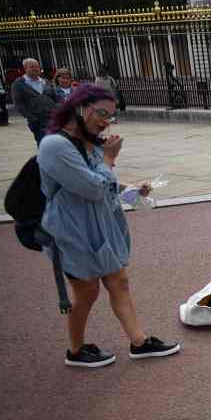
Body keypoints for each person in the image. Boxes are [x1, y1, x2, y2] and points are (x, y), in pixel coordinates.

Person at [37, 84, 180, 367]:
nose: (105, 121)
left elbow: (104, 183)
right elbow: (91, 187)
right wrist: (110, 158)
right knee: (87, 292)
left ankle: (139, 342)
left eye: (110, 116)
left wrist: (132, 189)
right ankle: (76, 351)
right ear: (79, 107)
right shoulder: (55, 145)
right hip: (74, 229)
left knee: (119, 282)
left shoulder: (88, 141)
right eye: (101, 113)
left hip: (100, 223)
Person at [11, 57, 58, 145]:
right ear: (25, 69)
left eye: (37, 66)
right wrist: (31, 118)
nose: (36, 69)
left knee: (56, 142)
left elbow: (55, 98)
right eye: (32, 67)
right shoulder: (19, 84)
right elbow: (18, 103)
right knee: (43, 143)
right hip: (37, 120)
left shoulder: (45, 82)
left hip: (52, 118)